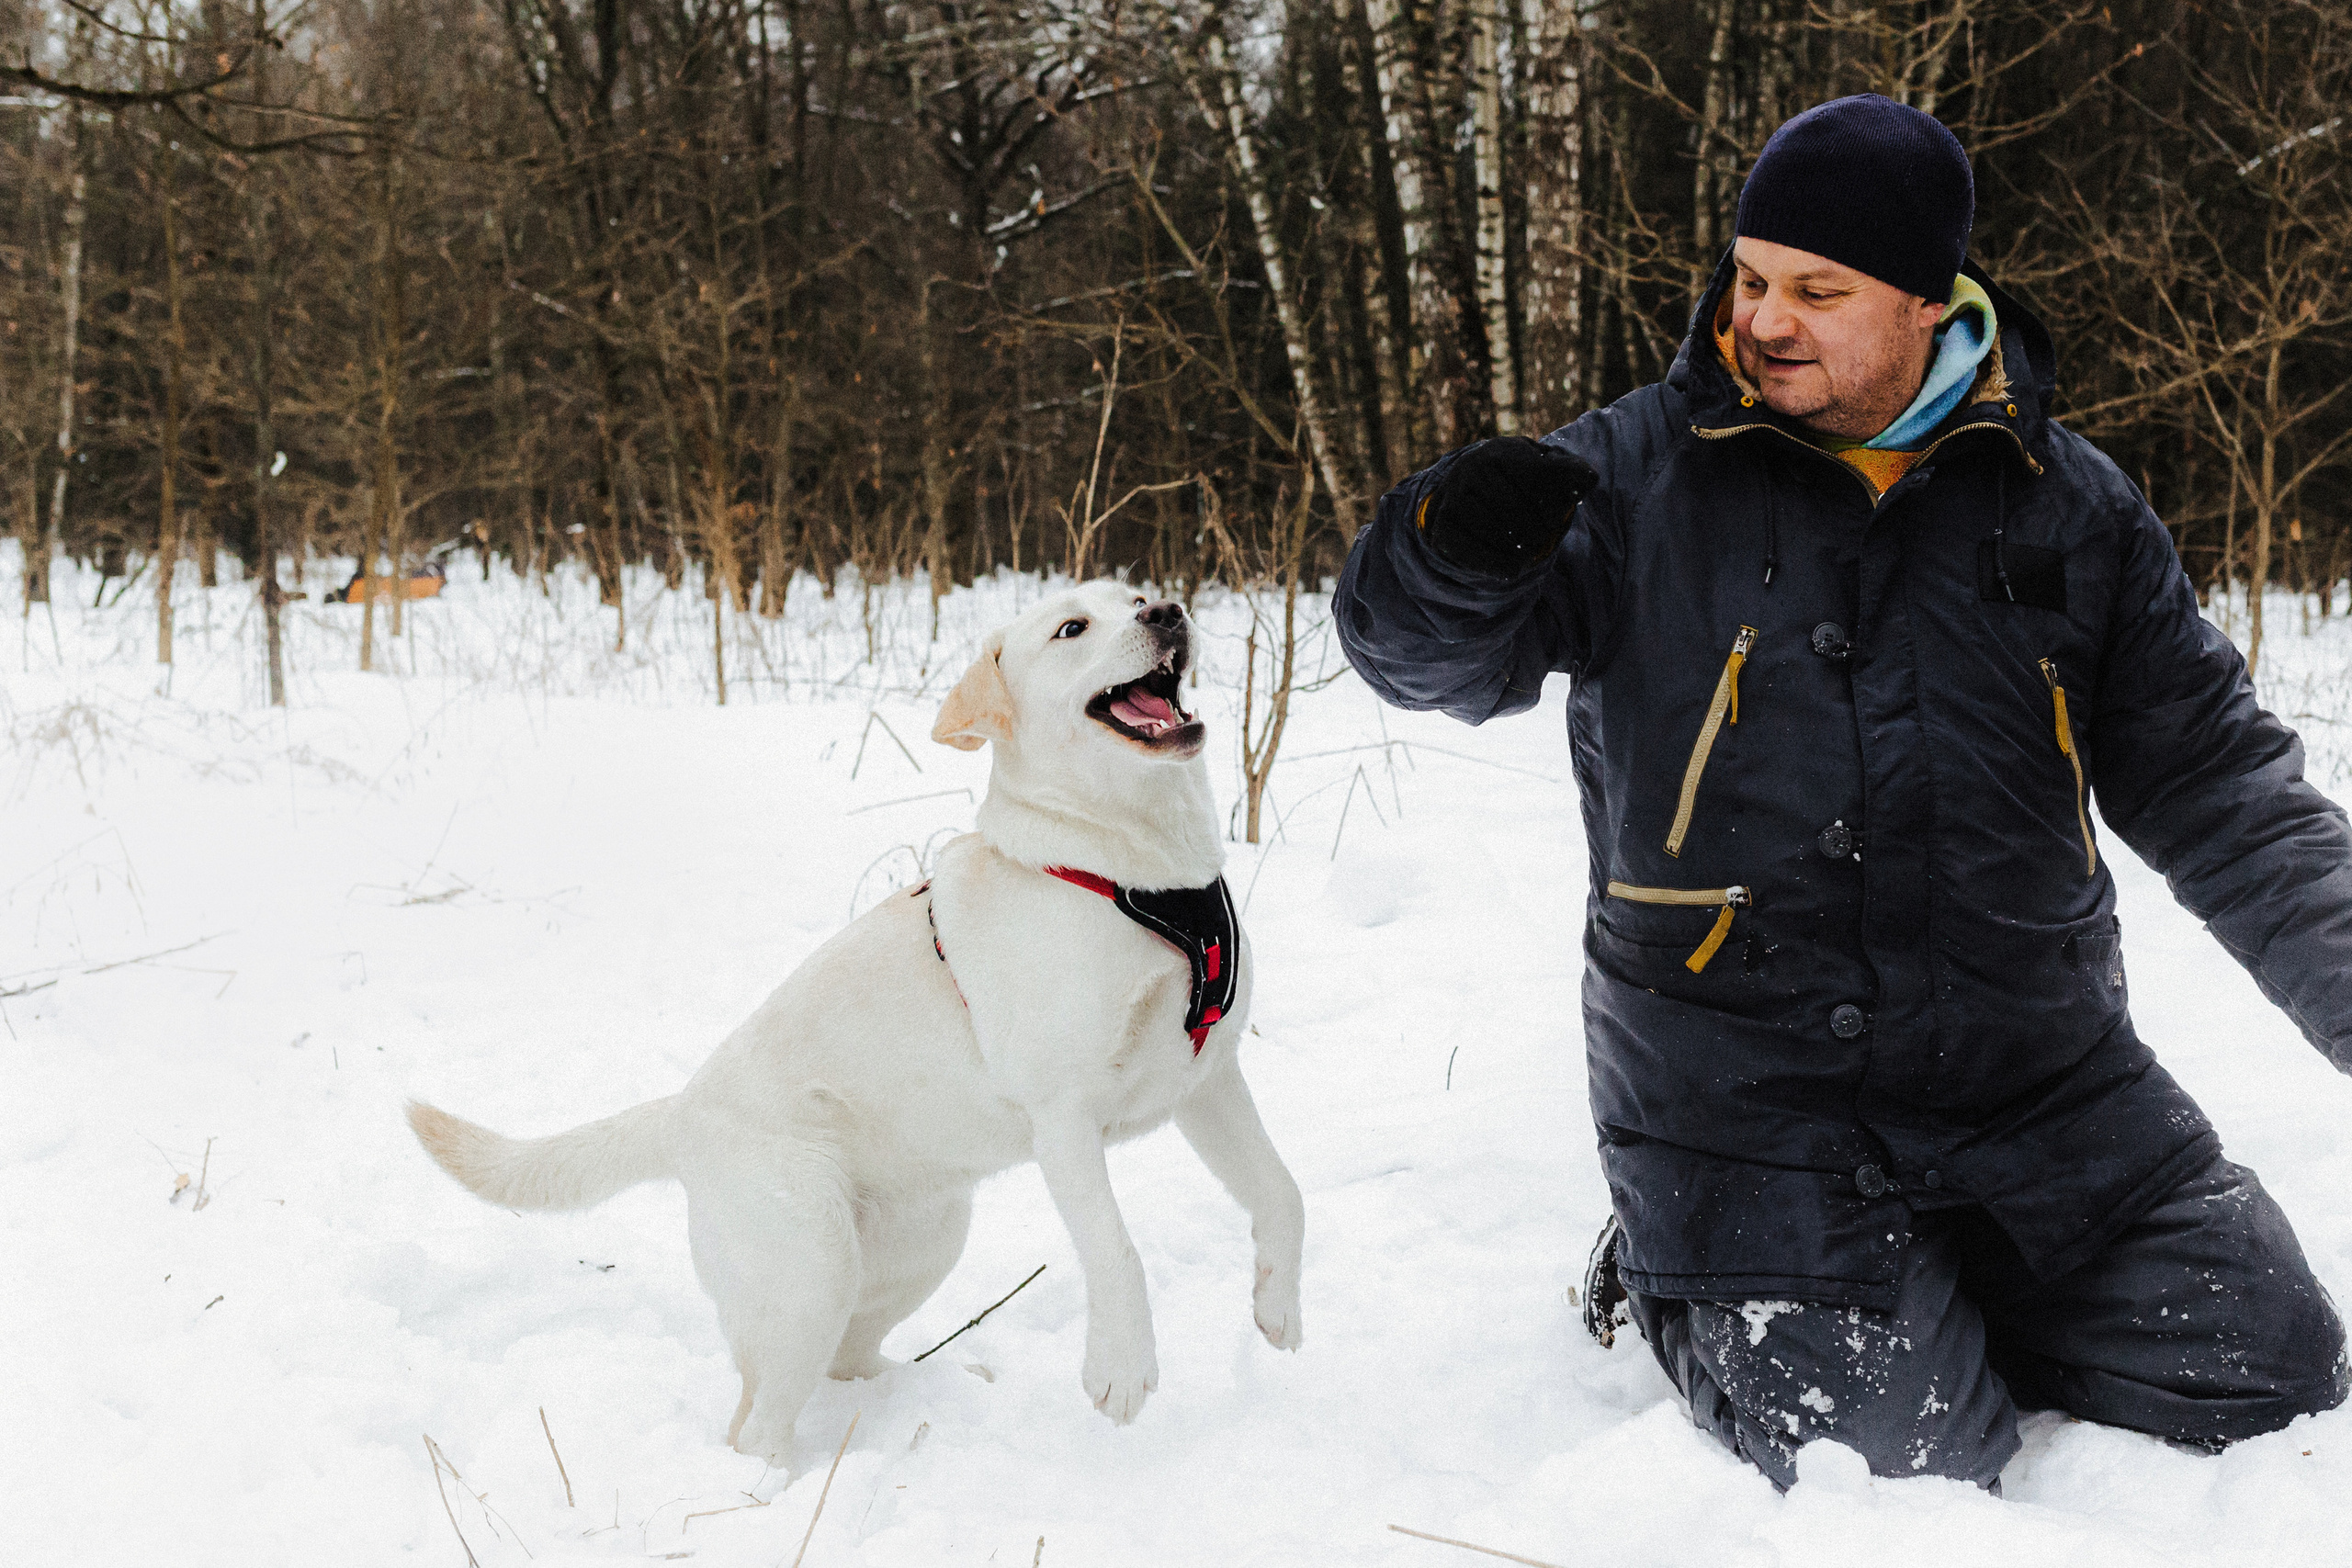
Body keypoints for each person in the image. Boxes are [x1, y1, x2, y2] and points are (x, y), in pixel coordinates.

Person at [1332, 94, 2350, 1490]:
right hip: (1749, 1102)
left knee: (2276, 1368)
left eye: (1818, 289)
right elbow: (1426, 663)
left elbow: (2226, 788)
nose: (1762, 320)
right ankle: (1677, 1275)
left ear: (1930, 307)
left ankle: (1939, 1290)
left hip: (2043, 1084)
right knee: (1906, 1471)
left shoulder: (2071, 505)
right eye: (1750, 279)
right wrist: (1446, 555)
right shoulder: (1630, 478)